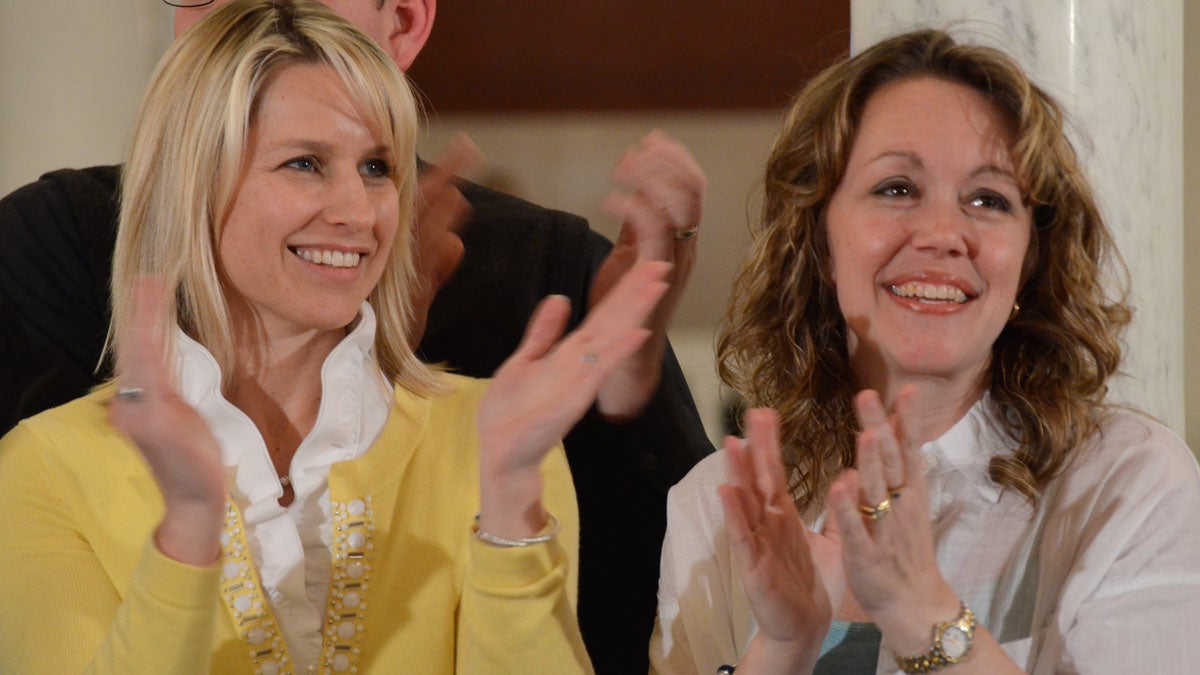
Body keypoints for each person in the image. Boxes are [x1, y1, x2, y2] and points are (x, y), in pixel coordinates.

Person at [0, 1, 713, 670]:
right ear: (194, 183)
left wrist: (510, 494)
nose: (359, 211)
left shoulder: (494, 433)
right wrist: (188, 526)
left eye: (377, 167)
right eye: (305, 163)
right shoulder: (48, 464)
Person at [650, 29, 1200, 674]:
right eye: (897, 188)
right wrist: (785, 647)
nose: (944, 234)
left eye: (987, 199)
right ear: (819, 243)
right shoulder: (713, 508)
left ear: (1028, 264)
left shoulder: (1126, 484)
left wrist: (921, 610)